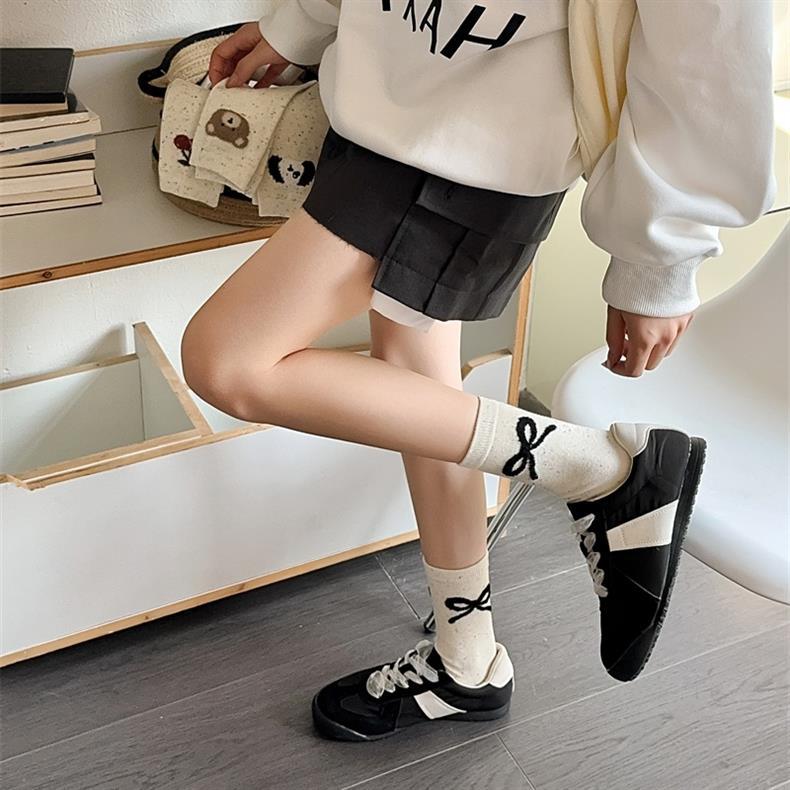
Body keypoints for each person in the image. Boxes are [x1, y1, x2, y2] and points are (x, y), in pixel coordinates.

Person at [182, 0, 776, 742]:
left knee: (226, 360)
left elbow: (708, 58)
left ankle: (602, 471)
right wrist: (296, 25)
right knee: (420, 388)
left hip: (483, 143)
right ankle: (467, 662)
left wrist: (661, 260)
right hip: (382, 105)